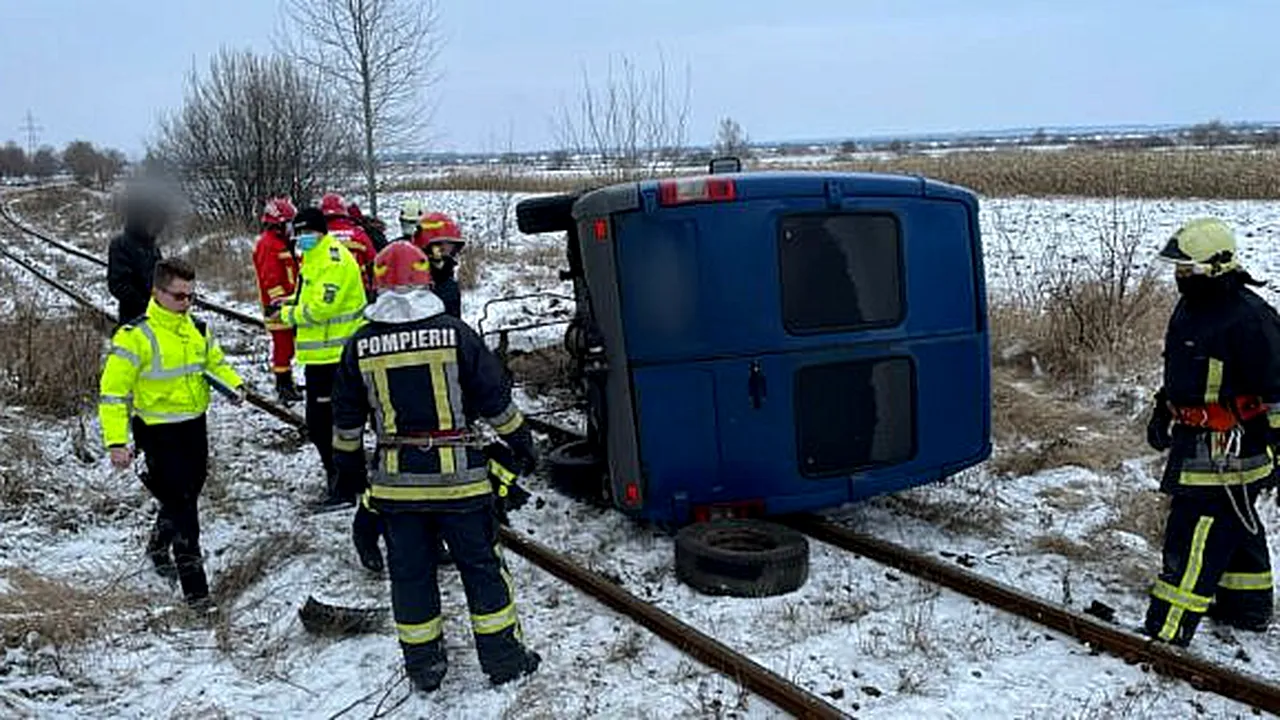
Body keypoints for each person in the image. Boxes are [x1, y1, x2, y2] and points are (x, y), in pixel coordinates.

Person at [331, 241, 540, 692]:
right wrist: (521, 442)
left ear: (376, 285)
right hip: (459, 484)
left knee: (410, 575)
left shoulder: (359, 344)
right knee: (482, 569)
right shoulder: (456, 333)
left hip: (396, 487)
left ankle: (424, 667)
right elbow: (495, 401)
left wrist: (348, 475)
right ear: (427, 280)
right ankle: (504, 660)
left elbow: (345, 422)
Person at [1143, 217, 1280, 646]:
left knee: (1194, 535)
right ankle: (1247, 608)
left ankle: (1166, 631)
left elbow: (1277, 391)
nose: (1181, 277)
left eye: (1190, 269)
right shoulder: (1192, 309)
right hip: (1195, 442)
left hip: (1232, 451)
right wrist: (1163, 410)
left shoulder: (1251, 319)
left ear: (1219, 265)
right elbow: (1186, 371)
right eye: (1179, 270)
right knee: (1233, 527)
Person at [98, 258, 244, 612]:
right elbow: (113, 393)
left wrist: (235, 385)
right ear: (157, 293)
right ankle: (198, 594)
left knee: (187, 494)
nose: (187, 303)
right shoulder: (135, 337)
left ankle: (156, 546)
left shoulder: (197, 328)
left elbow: (215, 363)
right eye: (179, 297)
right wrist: (116, 442)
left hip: (194, 427)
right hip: (157, 433)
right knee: (184, 510)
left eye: (192, 296)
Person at [269, 207, 368, 508]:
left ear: (321, 231)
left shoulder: (332, 260)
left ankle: (346, 487)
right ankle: (342, 479)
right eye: (298, 233)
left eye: (307, 232)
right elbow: (310, 297)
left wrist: (286, 314)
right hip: (321, 357)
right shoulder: (313, 257)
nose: (302, 238)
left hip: (336, 358)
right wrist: (289, 300)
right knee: (324, 424)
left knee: (330, 426)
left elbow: (320, 309)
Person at [252, 196, 303, 402]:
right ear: (279, 223)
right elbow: (271, 279)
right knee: (283, 347)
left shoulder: (280, 243)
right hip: (278, 307)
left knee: (288, 346)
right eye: (290, 223)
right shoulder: (268, 245)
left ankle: (287, 381)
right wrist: (280, 305)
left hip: (286, 304)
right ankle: (283, 386)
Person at [107, 186, 168, 325]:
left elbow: (160, 276)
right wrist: (145, 304)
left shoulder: (152, 245)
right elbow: (118, 284)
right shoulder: (121, 244)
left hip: (157, 315)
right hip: (134, 317)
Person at [320, 192, 378, 292]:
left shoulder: (317, 237)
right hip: (357, 293)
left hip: (325, 295)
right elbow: (374, 263)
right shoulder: (359, 235)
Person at [412, 212, 466, 319]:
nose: (448, 254)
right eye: (442, 249)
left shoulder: (448, 282)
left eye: (451, 248)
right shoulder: (410, 286)